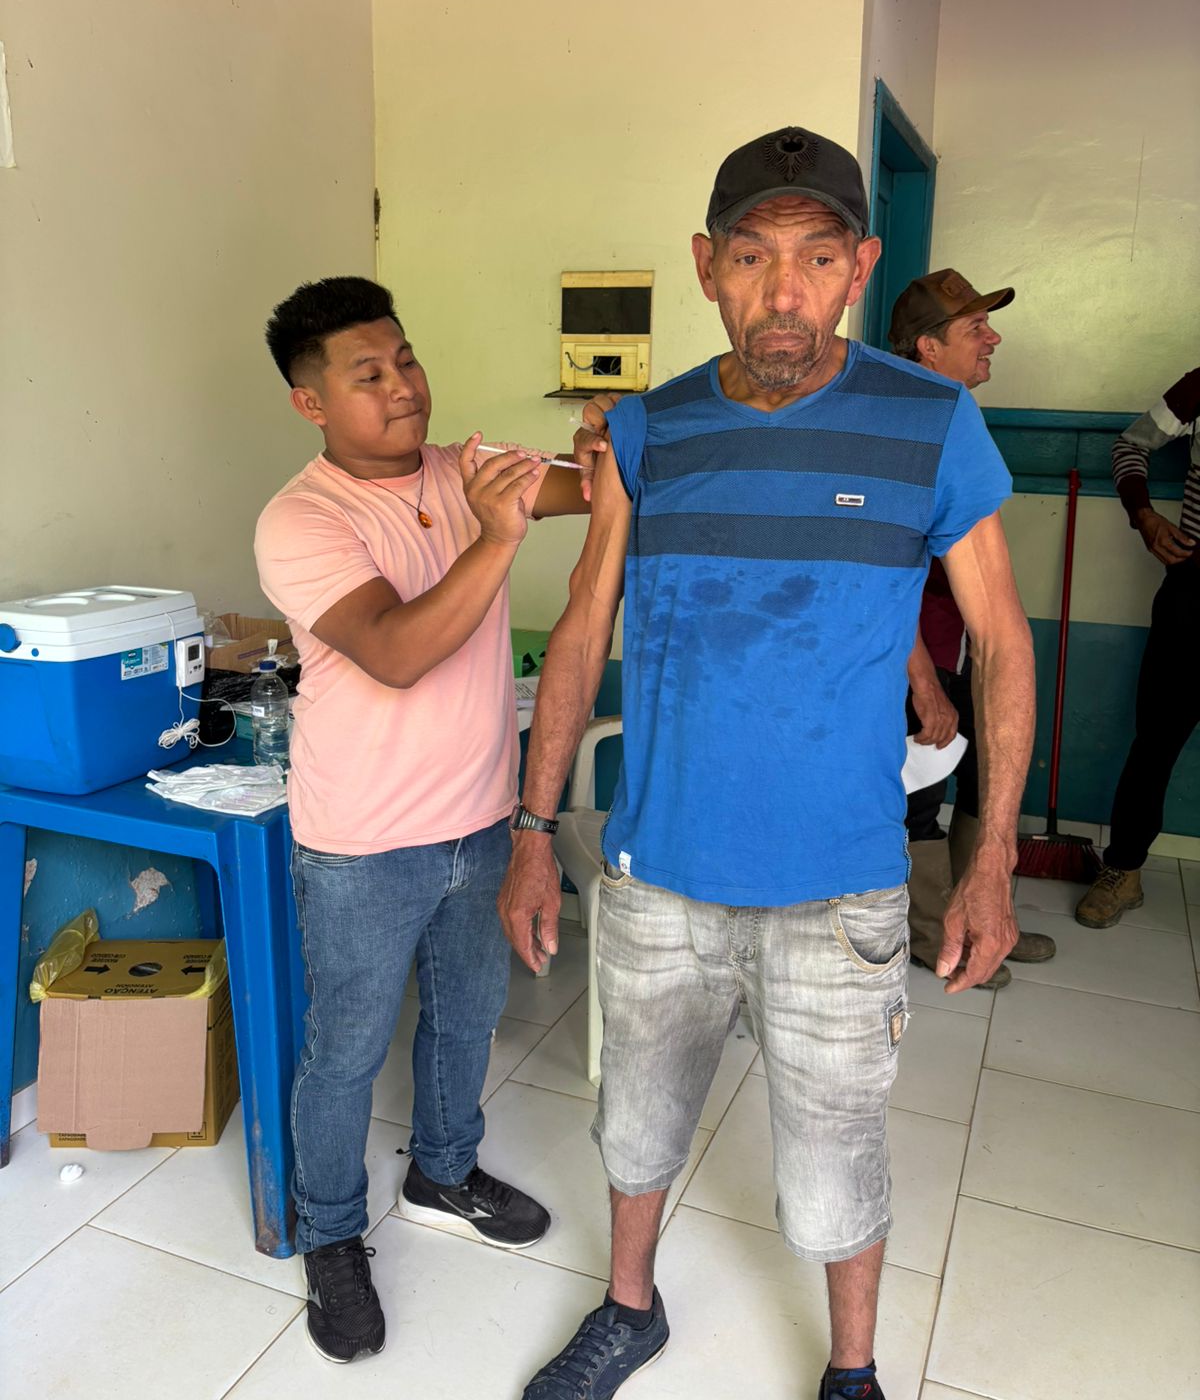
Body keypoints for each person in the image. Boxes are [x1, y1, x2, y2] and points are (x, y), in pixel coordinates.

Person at [498, 129, 1035, 1400]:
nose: (784, 292)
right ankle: (629, 1308)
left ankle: (851, 1371)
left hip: (838, 887)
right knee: (636, 1125)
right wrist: (531, 829)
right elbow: (581, 624)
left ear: (860, 266)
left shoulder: (935, 423)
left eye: (816, 258)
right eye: (752, 257)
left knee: (837, 1160)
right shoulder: (648, 428)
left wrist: (992, 857)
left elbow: (1004, 644)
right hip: (657, 877)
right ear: (707, 266)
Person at [254, 276, 604, 1364]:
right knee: (347, 1051)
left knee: (466, 1018)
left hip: (482, 821)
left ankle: (444, 1172)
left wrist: (603, 444)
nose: (403, 385)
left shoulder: (466, 467)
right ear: (312, 402)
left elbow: (597, 488)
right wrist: (495, 541)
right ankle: (330, 1232)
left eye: (405, 358)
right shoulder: (301, 519)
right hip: (361, 843)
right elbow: (398, 652)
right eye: (369, 374)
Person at [889, 270, 1056, 986]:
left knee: (985, 786)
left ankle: (981, 915)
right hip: (916, 656)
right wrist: (924, 684)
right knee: (920, 798)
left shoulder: (955, 416)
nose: (993, 338)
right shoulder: (899, 425)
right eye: (974, 328)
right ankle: (935, 936)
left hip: (966, 649)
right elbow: (885, 578)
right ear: (928, 347)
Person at [1075, 368, 1200, 927]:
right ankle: (1122, 869)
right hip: (1193, 597)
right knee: (1156, 741)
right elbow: (1130, 446)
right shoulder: (1198, 386)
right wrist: (1144, 516)